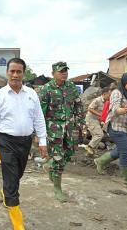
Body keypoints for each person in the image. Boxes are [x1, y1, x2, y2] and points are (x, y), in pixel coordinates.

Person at [0, 58, 47, 229]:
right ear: (7, 73)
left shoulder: (32, 94)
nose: (15, 75)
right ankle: (18, 223)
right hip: (6, 142)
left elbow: (39, 118)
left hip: (25, 142)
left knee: (17, 174)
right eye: (12, 71)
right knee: (12, 180)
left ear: (23, 73)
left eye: (19, 71)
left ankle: (7, 191)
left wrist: (43, 141)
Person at [38, 61, 85, 202]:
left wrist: (81, 124)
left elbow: (78, 105)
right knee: (58, 157)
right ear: (53, 74)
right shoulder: (46, 89)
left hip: (70, 129)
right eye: (61, 71)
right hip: (54, 130)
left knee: (68, 153)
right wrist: (39, 133)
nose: (64, 73)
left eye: (66, 71)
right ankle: (57, 188)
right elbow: (40, 112)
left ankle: (51, 166)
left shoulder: (71, 87)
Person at [85, 87, 111, 153]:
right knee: (99, 135)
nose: (110, 96)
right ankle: (89, 147)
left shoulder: (107, 102)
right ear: (104, 94)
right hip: (91, 119)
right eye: (109, 95)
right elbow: (90, 109)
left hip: (97, 121)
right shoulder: (97, 100)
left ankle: (90, 153)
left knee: (96, 137)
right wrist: (100, 115)